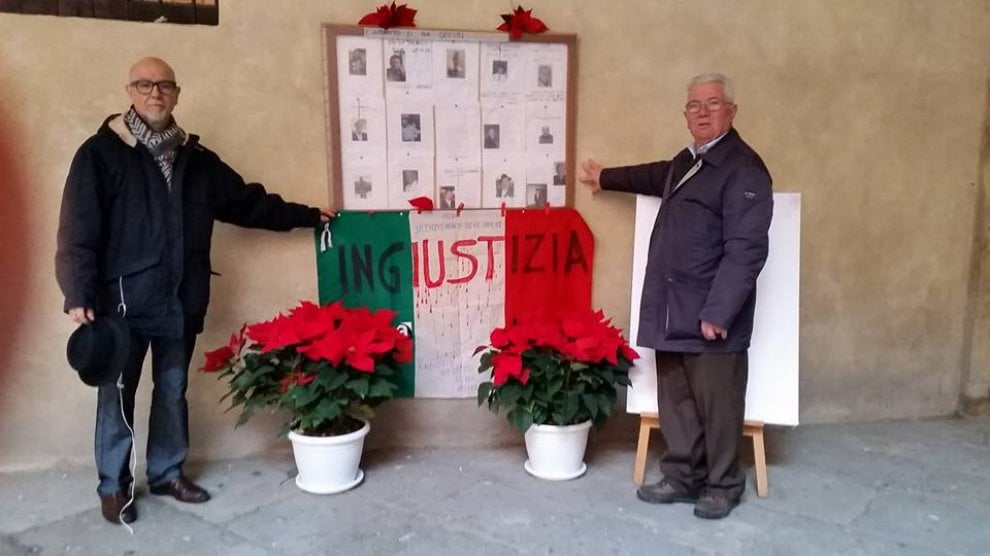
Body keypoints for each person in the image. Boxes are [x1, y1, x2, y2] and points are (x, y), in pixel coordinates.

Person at [55, 57, 334, 526]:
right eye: (145, 85)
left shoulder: (197, 160)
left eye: (164, 85)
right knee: (117, 396)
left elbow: (248, 203)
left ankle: (167, 473)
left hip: (180, 301)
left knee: (172, 389)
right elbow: (77, 226)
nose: (155, 93)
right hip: (122, 303)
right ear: (130, 91)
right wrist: (77, 290)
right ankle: (114, 486)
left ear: (177, 93)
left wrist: (307, 216)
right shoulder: (100, 154)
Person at [579, 73, 772, 520]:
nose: (702, 112)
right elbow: (653, 175)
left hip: (710, 315)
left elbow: (747, 249)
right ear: (685, 114)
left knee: (718, 406)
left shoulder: (744, 168)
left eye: (713, 103)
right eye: (694, 105)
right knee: (678, 403)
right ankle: (684, 476)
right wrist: (605, 177)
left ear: (731, 111)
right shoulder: (689, 161)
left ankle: (723, 485)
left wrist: (719, 311)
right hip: (672, 309)